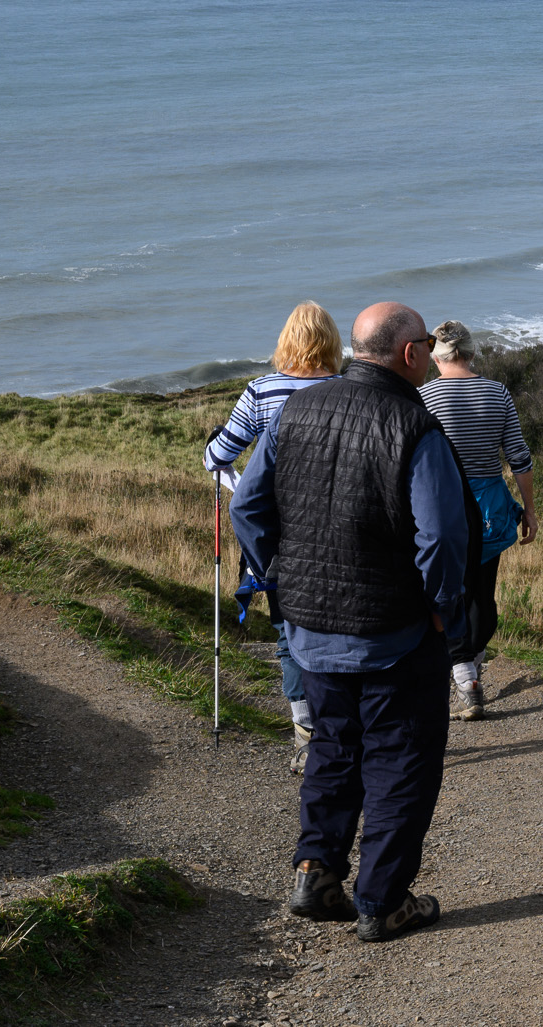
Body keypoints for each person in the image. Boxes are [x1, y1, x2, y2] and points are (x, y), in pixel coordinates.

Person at [231, 301, 475, 943]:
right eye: (423, 341)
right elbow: (443, 535)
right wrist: (443, 606)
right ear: (409, 354)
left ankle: (317, 874)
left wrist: (280, 578)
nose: (426, 349)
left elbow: (247, 508)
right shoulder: (414, 426)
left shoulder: (295, 411)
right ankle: (383, 901)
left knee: (332, 752)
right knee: (401, 762)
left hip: (312, 631)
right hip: (395, 634)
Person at [204, 301, 343, 773]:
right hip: (337, 529)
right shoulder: (345, 389)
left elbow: (218, 456)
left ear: (287, 341)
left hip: (275, 535)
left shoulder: (262, 391)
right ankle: (343, 725)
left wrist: (233, 474)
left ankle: (305, 733)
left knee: (288, 631)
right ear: (332, 342)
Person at [419, 320, 537, 721]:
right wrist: (530, 510)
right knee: (482, 591)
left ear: (436, 355)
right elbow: (519, 457)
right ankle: (473, 665)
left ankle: (464, 673)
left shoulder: (424, 396)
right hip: (490, 506)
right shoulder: (497, 392)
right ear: (471, 353)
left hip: (443, 501)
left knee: (446, 592)